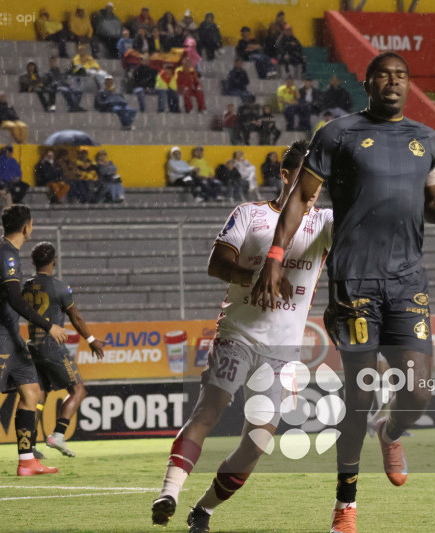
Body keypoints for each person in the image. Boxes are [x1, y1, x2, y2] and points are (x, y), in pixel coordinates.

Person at [251, 52, 435, 533]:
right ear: (367, 83)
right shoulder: (337, 134)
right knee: (358, 394)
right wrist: (274, 256)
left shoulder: (426, 139)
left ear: (409, 85)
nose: (393, 83)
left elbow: (430, 202)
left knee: (417, 391)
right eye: (384, 76)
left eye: (401, 76)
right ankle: (345, 505)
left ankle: (390, 431)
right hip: (355, 283)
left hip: (408, 281)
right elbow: (297, 202)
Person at [150, 141, 333, 531]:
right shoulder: (250, 215)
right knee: (210, 410)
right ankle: (169, 491)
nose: (314, 185)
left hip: (282, 352)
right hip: (238, 334)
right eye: (307, 175)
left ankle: (204, 509)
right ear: (286, 176)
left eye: (319, 177)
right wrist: (257, 277)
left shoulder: (325, 223)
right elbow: (217, 264)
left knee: (258, 443)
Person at [0, 205, 68, 476]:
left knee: (31, 391)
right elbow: (14, 298)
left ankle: (27, 460)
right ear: (26, 227)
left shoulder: (0, 248)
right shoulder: (5, 253)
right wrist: (48, 325)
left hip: (9, 334)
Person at [22, 242, 104, 458]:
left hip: (32, 346)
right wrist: (91, 339)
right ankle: (58, 435)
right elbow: (75, 317)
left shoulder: (26, 286)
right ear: (54, 261)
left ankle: (29, 446)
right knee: (78, 390)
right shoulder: (59, 287)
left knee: (40, 395)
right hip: (52, 346)